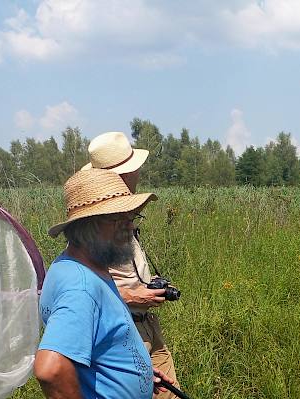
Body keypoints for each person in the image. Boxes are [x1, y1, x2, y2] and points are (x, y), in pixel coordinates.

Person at [34, 168, 174, 398]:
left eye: (132, 218)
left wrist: (134, 371)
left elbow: (93, 343)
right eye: (119, 220)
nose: (130, 227)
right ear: (89, 225)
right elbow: (50, 369)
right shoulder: (81, 287)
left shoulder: (78, 265)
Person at [82, 131, 181, 398]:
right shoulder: (96, 224)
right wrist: (134, 295)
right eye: (134, 168)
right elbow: (84, 291)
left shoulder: (121, 214)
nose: (138, 173)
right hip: (123, 333)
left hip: (147, 324)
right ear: (124, 175)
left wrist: (149, 290)